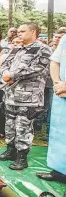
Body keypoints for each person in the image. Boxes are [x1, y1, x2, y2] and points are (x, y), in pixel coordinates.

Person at [0, 22, 52, 170]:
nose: (18, 34)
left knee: (23, 127)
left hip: (29, 98)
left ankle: (22, 157)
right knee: (10, 125)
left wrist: (13, 75)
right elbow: (5, 64)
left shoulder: (43, 49)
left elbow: (38, 68)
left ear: (33, 32)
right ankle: (10, 150)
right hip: (11, 95)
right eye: (18, 31)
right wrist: (5, 74)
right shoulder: (17, 48)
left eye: (22, 31)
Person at [36, 35, 66, 186]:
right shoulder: (65, 39)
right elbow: (55, 62)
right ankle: (59, 171)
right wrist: (57, 83)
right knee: (59, 133)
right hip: (61, 92)